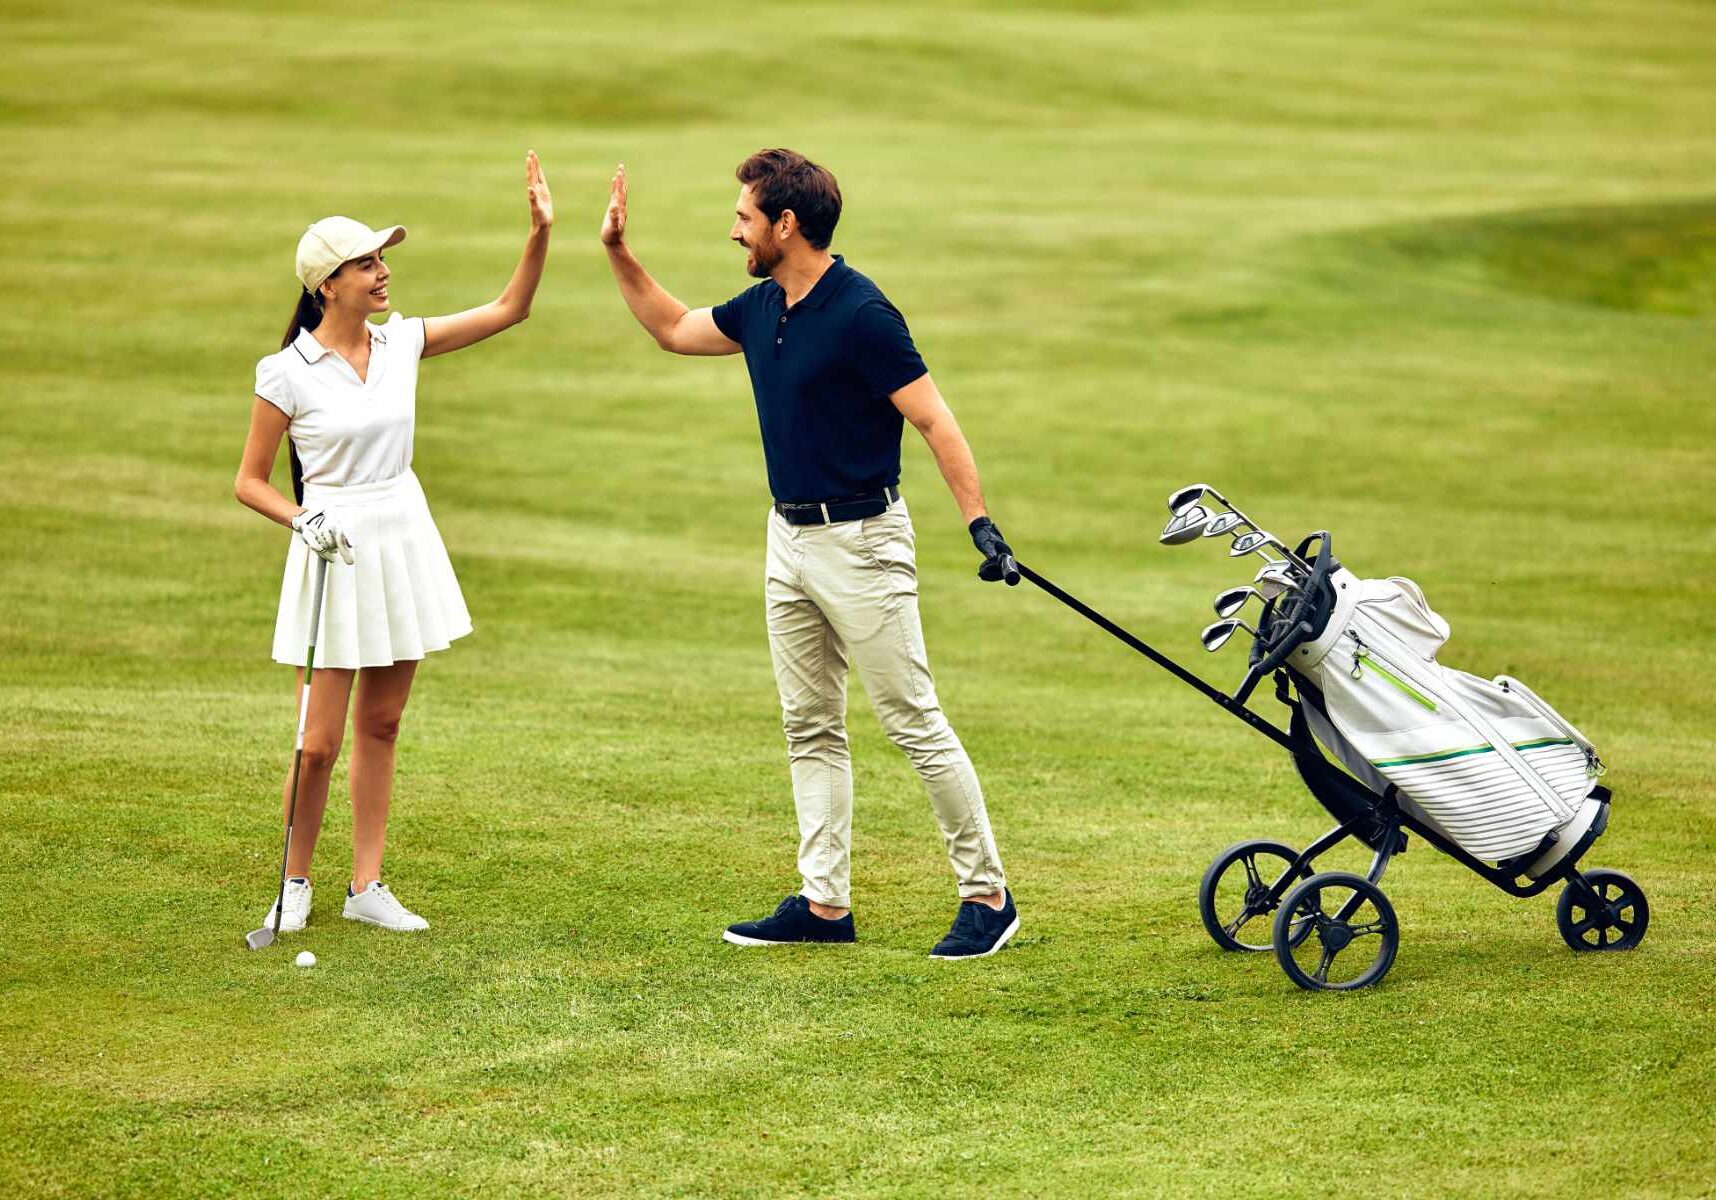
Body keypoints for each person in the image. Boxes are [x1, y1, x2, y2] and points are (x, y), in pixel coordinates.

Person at [602, 148, 1021, 960]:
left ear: (785, 225)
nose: (735, 231)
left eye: (745, 218)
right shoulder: (765, 307)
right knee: (809, 726)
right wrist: (619, 251)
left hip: (863, 543)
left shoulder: (864, 314)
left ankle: (988, 896)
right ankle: (825, 906)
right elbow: (673, 328)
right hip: (786, 538)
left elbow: (935, 419)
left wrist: (979, 521)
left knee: (913, 723)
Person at [234, 152, 554, 933]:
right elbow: (251, 479)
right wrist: (300, 516)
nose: (382, 272)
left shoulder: (402, 342)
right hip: (332, 545)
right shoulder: (285, 372)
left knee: (383, 724)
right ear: (326, 284)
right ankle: (296, 883)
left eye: (382, 259)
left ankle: (366, 887)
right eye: (365, 263)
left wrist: (540, 232)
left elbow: (510, 308)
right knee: (316, 743)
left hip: (400, 532)